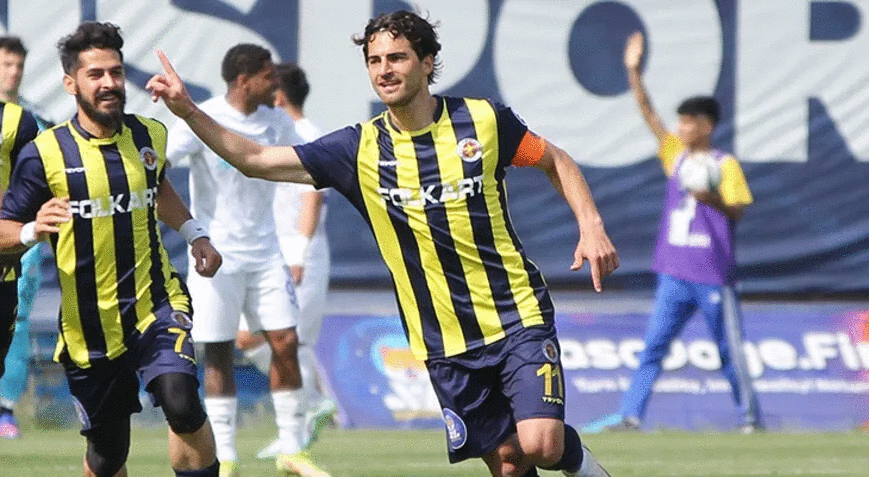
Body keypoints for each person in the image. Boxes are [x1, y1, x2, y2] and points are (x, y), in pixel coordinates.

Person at [149, 10, 618, 477]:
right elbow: (254, 159)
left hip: (516, 313)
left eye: (397, 58)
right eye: (375, 61)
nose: (384, 70)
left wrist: (591, 224)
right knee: (510, 463)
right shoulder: (360, 148)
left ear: (427, 63)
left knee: (540, 443)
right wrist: (189, 110)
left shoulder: (483, 121)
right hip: (442, 338)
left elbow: (554, 159)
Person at [0, 22, 222, 476]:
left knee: (181, 402)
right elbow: (6, 226)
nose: (109, 84)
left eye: (116, 72)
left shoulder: (149, 135)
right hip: (90, 328)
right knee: (107, 456)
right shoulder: (44, 153)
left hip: (156, 305)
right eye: (96, 74)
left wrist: (195, 233)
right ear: (71, 84)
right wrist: (31, 231)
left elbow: (156, 187)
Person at [166, 45, 329, 477]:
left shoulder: (278, 122)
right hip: (216, 258)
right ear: (244, 81)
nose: (275, 83)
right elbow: (159, 166)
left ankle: (291, 450)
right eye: (267, 76)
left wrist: (298, 249)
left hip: (267, 254)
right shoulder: (203, 117)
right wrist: (192, 230)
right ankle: (227, 456)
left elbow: (310, 174)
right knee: (219, 353)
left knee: (286, 343)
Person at [597, 31, 760, 433]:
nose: (682, 127)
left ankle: (750, 419)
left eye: (689, 121)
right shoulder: (677, 156)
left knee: (728, 350)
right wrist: (633, 71)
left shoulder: (725, 164)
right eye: (682, 121)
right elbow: (648, 113)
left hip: (713, 274)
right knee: (653, 347)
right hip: (674, 271)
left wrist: (711, 199)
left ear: (707, 125)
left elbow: (737, 212)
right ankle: (631, 415)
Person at [233, 62, 336, 460]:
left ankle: (300, 422)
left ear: (277, 96)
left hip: (300, 254)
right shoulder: (273, 135)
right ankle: (308, 409)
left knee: (287, 339)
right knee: (254, 338)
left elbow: (312, 198)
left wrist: (299, 253)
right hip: (270, 251)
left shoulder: (307, 136)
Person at [0, 35, 54, 439]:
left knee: (15, 320)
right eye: (6, 64)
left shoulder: (32, 123)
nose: (13, 72)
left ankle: (5, 408)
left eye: (18, 65)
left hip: (19, 238)